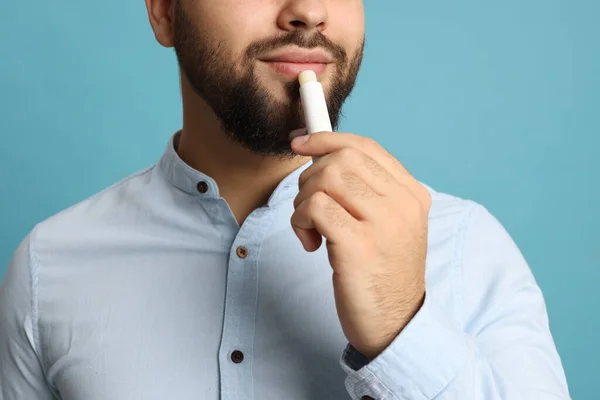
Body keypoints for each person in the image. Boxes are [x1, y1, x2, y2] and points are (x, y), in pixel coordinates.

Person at [0, 1, 571, 399]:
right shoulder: (50, 265)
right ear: (165, 10)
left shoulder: (468, 248)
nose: (309, 10)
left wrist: (402, 329)